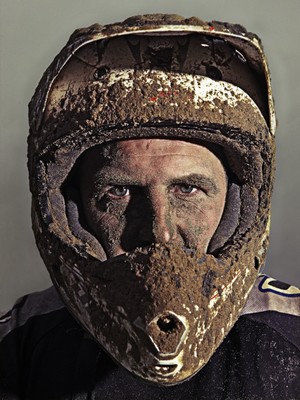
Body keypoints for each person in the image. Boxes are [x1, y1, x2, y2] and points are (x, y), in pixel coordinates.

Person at [0, 14, 299, 400]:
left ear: (237, 204)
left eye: (188, 189)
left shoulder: (287, 336)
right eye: (120, 192)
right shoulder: (18, 343)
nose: (159, 231)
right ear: (69, 209)